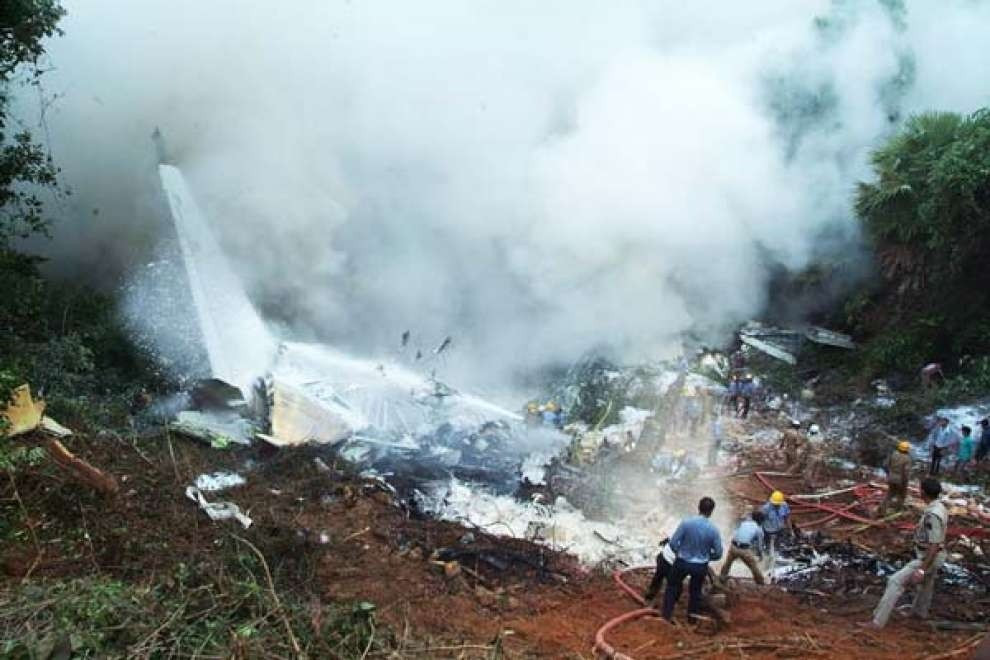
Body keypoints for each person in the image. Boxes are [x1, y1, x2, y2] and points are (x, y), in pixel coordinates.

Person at [868, 478, 948, 628]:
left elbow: (934, 544)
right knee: (926, 586)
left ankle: (877, 621)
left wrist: (922, 568)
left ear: (923, 492)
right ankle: (918, 614)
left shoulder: (933, 514)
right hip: (937, 555)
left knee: (895, 581)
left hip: (930, 556)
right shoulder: (940, 507)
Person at [662, 497, 723, 621]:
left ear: (698, 507)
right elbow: (718, 553)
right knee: (695, 592)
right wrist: (706, 556)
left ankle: (666, 615)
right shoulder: (714, 530)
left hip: (682, 561)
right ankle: (691, 618)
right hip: (700, 566)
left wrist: (680, 552)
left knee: (672, 586)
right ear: (711, 511)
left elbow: (673, 543)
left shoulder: (686, 523)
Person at [719, 509, 766, 585]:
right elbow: (759, 546)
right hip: (744, 550)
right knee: (753, 566)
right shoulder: (759, 530)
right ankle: (761, 583)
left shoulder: (745, 523)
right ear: (761, 521)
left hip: (733, 546)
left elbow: (736, 533)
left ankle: (721, 578)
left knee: (727, 564)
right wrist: (760, 556)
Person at [880, 440, 912, 516]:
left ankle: (882, 509)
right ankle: (897, 510)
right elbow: (906, 472)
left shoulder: (893, 454)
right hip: (900, 480)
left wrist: (889, 473)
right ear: (907, 450)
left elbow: (885, 465)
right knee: (901, 495)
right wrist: (905, 482)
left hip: (891, 478)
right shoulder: (907, 459)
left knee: (889, 494)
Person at [643, 538, 675, 606]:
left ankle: (649, 599)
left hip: (664, 558)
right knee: (674, 585)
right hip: (671, 562)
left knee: (658, 578)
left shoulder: (683, 528)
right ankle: (667, 608)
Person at [760, 491, 790, 563]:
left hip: (779, 529)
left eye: (777, 504)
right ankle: (767, 558)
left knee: (778, 543)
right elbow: (760, 519)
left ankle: (777, 556)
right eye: (774, 504)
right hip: (768, 530)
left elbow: (787, 516)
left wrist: (789, 527)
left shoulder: (784, 505)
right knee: (767, 545)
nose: (776, 505)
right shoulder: (766, 508)